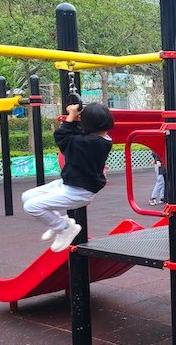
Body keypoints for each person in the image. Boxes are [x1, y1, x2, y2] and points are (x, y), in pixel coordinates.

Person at [22, 102, 114, 253]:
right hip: (68, 183)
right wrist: (74, 117)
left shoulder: (89, 143)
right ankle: (58, 222)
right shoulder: (102, 139)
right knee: (27, 196)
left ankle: (64, 228)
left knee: (31, 206)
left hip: (78, 192)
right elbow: (77, 134)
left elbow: (62, 137)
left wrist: (71, 116)